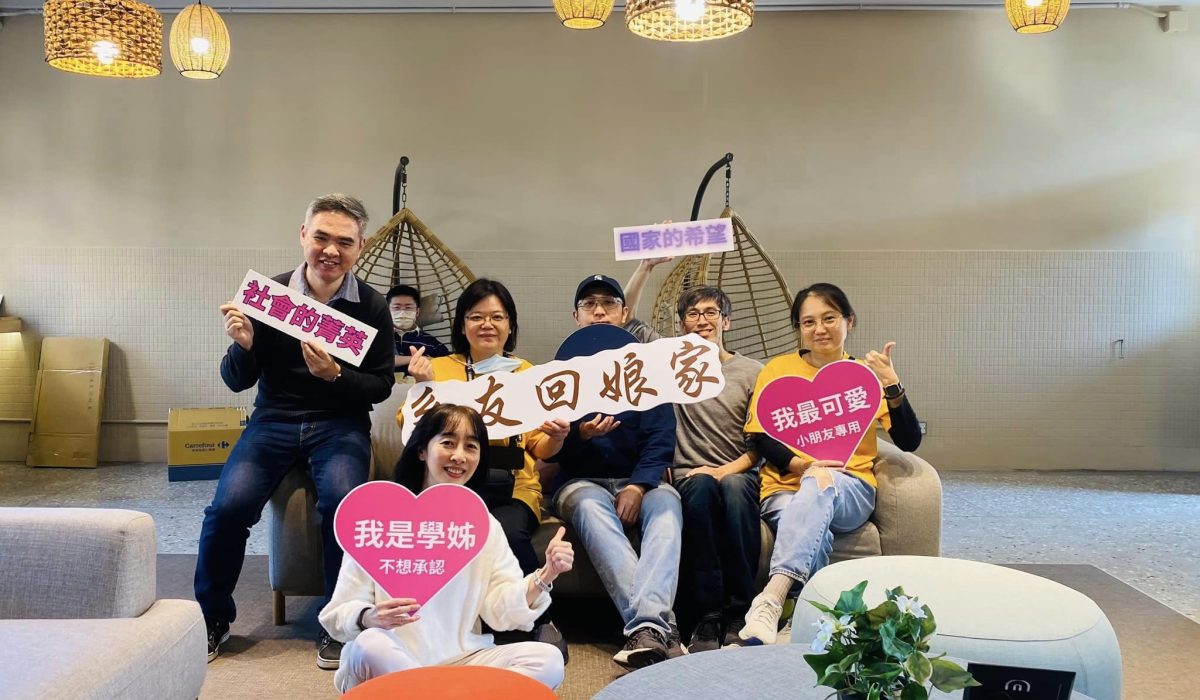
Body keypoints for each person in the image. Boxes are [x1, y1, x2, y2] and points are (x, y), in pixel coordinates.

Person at [198, 194, 396, 668]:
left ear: (361, 246)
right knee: (226, 509)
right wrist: (244, 346)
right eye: (321, 237)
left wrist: (336, 376)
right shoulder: (270, 297)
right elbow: (235, 380)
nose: (331, 250)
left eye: (344, 242)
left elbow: (382, 384)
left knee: (343, 508)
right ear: (303, 235)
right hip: (273, 420)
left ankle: (337, 621)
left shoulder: (371, 306)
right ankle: (211, 619)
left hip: (340, 424)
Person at [319, 404, 573, 693]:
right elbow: (338, 613)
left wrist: (545, 575)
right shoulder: (379, 519)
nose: (459, 456)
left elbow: (498, 610)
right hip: (391, 657)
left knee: (547, 659)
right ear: (422, 450)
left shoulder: (482, 525)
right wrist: (368, 617)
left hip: (462, 659)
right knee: (369, 645)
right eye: (448, 443)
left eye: (471, 446)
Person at [739, 283, 922, 645]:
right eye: (808, 322)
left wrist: (892, 384)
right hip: (784, 489)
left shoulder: (864, 376)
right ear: (799, 328)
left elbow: (909, 440)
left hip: (851, 488)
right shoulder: (777, 370)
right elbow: (760, 436)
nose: (819, 329)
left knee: (821, 482)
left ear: (848, 321)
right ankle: (802, 621)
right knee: (813, 519)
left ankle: (772, 598)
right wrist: (802, 466)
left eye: (829, 318)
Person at [405, 278, 571, 660]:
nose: (487, 325)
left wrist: (558, 437)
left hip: (513, 486)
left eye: (497, 317)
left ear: (510, 325)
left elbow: (540, 446)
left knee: (509, 531)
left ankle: (539, 620)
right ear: (462, 325)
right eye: (476, 316)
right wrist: (424, 388)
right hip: (452, 484)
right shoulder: (437, 368)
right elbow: (412, 432)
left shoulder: (526, 373)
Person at [550, 274, 683, 670]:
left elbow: (661, 436)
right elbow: (552, 448)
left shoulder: (649, 371)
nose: (599, 311)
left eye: (608, 304)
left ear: (625, 313)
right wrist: (581, 436)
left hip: (639, 479)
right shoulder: (559, 371)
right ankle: (659, 626)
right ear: (576, 316)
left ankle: (647, 630)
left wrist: (639, 486)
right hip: (580, 482)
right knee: (590, 506)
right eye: (589, 305)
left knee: (668, 506)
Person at [670, 286, 763, 653]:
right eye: (693, 314)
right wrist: (645, 268)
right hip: (689, 476)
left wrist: (722, 471)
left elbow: (759, 447)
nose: (702, 321)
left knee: (734, 489)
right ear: (681, 325)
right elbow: (627, 322)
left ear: (726, 321)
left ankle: (740, 612)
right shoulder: (669, 369)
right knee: (702, 489)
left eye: (711, 313)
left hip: (738, 471)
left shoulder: (753, 372)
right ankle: (706, 616)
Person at [386, 284, 449, 376]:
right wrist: (419, 359)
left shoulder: (430, 342)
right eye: (397, 307)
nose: (402, 313)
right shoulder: (379, 336)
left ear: (417, 312)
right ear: (387, 310)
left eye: (408, 307)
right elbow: (374, 360)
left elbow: (447, 363)